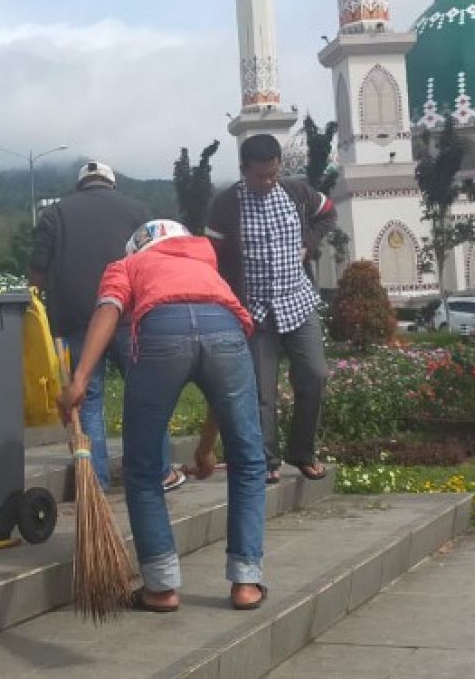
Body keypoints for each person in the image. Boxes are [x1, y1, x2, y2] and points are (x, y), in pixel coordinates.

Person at [61, 220, 267, 612]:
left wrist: (80, 378)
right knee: (248, 460)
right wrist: (207, 449)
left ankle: (161, 587)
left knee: (141, 468)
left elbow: (110, 308)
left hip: (160, 331)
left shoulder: (126, 265)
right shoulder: (206, 266)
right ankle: (246, 582)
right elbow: (220, 398)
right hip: (225, 328)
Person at [28, 161, 184, 493]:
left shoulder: (55, 213)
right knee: (146, 395)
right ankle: (159, 472)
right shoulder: (138, 210)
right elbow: (155, 260)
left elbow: (37, 271)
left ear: (80, 185)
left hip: (75, 319)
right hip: (130, 315)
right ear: (111, 184)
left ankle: (94, 482)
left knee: (89, 398)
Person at [205, 134, 336, 484]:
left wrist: (309, 243)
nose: (267, 182)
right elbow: (211, 257)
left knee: (315, 375)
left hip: (298, 302)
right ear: (244, 169)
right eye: (260, 176)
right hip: (255, 313)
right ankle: (267, 461)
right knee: (261, 392)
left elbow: (328, 211)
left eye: (273, 175)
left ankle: (302, 452)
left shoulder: (297, 192)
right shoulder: (225, 205)